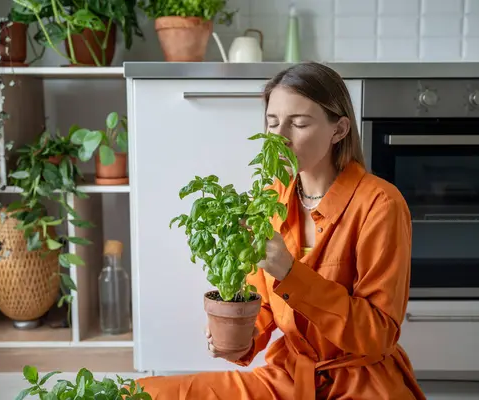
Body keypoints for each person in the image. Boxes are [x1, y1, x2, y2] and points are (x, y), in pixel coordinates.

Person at [135, 62, 426, 400]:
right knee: (142, 393)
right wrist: (239, 338)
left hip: (363, 385)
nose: (279, 137)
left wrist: (290, 272)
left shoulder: (380, 204)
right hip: (287, 378)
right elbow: (262, 304)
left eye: (299, 123)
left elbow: (377, 334)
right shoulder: (273, 196)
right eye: (272, 123)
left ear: (339, 129)